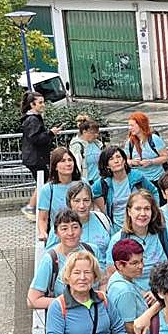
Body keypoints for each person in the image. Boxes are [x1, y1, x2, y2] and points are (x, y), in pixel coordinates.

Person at [28, 210, 94, 309]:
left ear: (81, 229)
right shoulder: (50, 259)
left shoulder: (91, 251)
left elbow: (102, 281)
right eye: (64, 229)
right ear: (56, 233)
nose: (70, 233)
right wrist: (69, 303)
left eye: (75, 227)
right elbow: (32, 300)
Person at [93, 145, 155, 228]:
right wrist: (102, 212)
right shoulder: (103, 182)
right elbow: (91, 193)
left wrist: (154, 210)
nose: (116, 161)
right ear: (107, 165)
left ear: (124, 160)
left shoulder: (137, 176)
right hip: (117, 228)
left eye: (118, 157)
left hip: (139, 225)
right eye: (111, 159)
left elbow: (154, 191)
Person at [20, 91, 60, 220]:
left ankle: (34, 207)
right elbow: (35, 139)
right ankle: (31, 207)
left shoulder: (33, 118)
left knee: (43, 182)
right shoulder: (32, 119)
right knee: (44, 183)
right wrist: (51, 133)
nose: (43, 105)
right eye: (40, 102)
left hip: (35, 157)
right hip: (35, 158)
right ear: (32, 104)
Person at [37, 147, 83, 243]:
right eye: (63, 161)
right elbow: (43, 218)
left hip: (83, 233)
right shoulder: (48, 189)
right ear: (55, 166)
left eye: (70, 160)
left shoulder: (83, 184)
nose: (68, 164)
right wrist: (42, 232)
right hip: (60, 238)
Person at [126, 111, 168, 192]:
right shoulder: (130, 142)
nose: (130, 128)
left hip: (158, 180)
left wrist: (151, 162)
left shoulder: (154, 139)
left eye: (132, 125)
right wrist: (132, 162)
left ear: (141, 125)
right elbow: (125, 160)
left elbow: (165, 157)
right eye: (129, 125)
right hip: (139, 182)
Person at [69, 115, 104, 184]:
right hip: (87, 183)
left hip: (100, 182)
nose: (96, 135)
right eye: (93, 132)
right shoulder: (77, 146)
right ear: (84, 132)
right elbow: (76, 168)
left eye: (97, 132)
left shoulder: (97, 144)